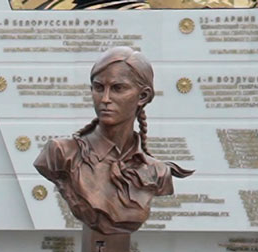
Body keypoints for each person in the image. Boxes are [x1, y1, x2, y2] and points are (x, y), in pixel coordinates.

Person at [33, 47, 192, 235]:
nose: (105, 99)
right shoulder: (61, 153)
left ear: (143, 96)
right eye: (99, 88)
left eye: (118, 88)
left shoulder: (157, 171)